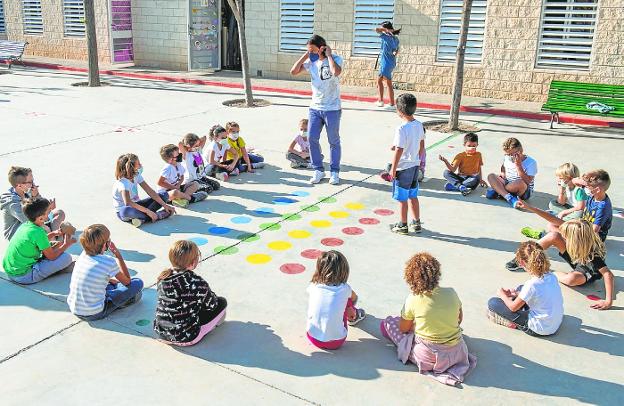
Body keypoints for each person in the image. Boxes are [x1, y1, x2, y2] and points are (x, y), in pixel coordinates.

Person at [381, 253, 476, 387]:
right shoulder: (451, 293)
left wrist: (415, 326)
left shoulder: (413, 299)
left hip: (428, 358)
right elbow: (459, 320)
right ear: (437, 273)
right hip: (458, 353)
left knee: (388, 323)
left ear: (411, 278)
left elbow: (403, 329)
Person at [510, 201, 615, 310]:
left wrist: (608, 302)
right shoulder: (579, 230)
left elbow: (608, 274)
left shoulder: (592, 253)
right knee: (553, 236)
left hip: (586, 270)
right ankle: (524, 259)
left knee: (571, 279)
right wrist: (530, 207)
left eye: (566, 235)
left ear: (577, 239)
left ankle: (548, 272)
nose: (564, 236)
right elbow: (552, 219)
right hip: (576, 256)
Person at [290, 34, 344, 185]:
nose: (311, 54)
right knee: (312, 138)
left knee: (333, 141)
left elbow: (336, 72)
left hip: (332, 108)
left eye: (313, 51)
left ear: (322, 48)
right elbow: (293, 71)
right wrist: (305, 55)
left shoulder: (336, 59)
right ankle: (318, 170)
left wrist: (329, 56)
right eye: (309, 51)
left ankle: (334, 172)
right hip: (315, 108)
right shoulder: (310, 62)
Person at [154, 240, 227, 346]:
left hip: (161, 331)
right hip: (186, 336)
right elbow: (212, 305)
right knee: (221, 302)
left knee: (186, 307)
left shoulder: (163, 277)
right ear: (193, 262)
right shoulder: (196, 282)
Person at [67, 224, 143, 320]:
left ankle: (112, 293)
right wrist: (118, 254)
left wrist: (109, 280)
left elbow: (93, 275)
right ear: (105, 244)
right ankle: (120, 303)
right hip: (95, 312)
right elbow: (127, 282)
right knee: (137, 283)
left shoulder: (83, 255)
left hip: (75, 309)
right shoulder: (108, 261)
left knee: (112, 284)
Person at [488, 241, 564, 336]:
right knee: (521, 288)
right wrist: (516, 294)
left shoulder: (532, 284)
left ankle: (515, 324)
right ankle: (518, 303)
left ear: (522, 263)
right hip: (555, 322)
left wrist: (502, 295)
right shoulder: (552, 276)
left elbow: (513, 308)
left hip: (539, 328)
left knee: (493, 303)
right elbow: (539, 293)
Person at [520, 169, 612, 242]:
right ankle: (551, 233)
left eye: (587, 187)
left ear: (598, 189)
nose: (584, 188)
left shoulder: (602, 207)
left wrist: (571, 231)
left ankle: (543, 235)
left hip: (591, 237)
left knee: (554, 229)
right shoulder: (594, 194)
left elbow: (594, 231)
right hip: (582, 226)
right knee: (553, 224)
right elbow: (575, 181)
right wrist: (587, 181)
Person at [2, 197, 75, 284]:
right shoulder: (39, 232)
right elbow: (52, 257)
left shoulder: (26, 225)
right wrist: (66, 244)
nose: (50, 214)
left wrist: (53, 234)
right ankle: (56, 270)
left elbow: (36, 240)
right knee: (66, 257)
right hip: (23, 276)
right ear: (40, 218)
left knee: (55, 245)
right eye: (48, 212)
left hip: (10, 271)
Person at [306, 250, 366, 350]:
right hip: (336, 342)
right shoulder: (345, 288)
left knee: (335, 301)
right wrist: (350, 306)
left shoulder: (314, 285)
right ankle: (353, 317)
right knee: (347, 301)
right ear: (344, 271)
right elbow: (354, 297)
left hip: (312, 337)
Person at [388, 93, 425, 235]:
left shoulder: (401, 128)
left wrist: (393, 168)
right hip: (415, 166)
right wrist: (418, 160)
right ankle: (416, 223)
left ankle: (403, 225)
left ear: (400, 111)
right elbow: (421, 145)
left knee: (402, 199)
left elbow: (399, 149)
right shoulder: (419, 125)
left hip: (403, 168)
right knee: (413, 196)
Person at [2, 166, 66, 240]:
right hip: (19, 231)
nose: (33, 184)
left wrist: (36, 195)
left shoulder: (27, 190)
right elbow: (30, 221)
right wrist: (47, 210)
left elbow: (41, 208)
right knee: (45, 229)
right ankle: (54, 240)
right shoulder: (12, 203)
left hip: (36, 221)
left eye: (33, 181)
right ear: (19, 185)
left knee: (59, 213)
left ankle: (53, 237)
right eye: (30, 182)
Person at [112, 153, 175, 228]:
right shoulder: (123, 183)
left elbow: (150, 191)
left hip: (138, 205)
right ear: (131, 168)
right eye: (138, 164)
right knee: (126, 210)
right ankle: (157, 215)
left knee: (164, 195)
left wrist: (165, 205)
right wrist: (148, 211)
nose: (141, 165)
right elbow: (128, 203)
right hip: (125, 210)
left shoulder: (136, 175)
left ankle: (142, 219)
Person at [486, 137, 537, 209]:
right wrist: (503, 173)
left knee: (520, 183)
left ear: (521, 150)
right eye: (508, 154)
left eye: (513, 154)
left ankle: (499, 191)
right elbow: (503, 166)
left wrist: (518, 165)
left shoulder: (531, 162)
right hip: (508, 182)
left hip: (523, 190)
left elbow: (527, 181)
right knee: (491, 176)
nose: (510, 156)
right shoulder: (507, 157)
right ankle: (509, 198)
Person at [157, 144, 208, 208]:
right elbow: (160, 182)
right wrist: (173, 187)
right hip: (166, 193)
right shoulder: (168, 168)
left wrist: (178, 184)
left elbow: (182, 177)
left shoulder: (178, 164)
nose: (180, 155)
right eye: (177, 154)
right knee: (175, 192)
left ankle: (182, 199)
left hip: (177, 188)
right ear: (170, 159)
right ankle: (191, 198)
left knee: (195, 184)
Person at [375, 21, 400, 109]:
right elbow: (396, 51)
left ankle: (391, 104)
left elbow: (376, 29)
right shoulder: (395, 39)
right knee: (381, 81)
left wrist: (385, 30)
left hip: (385, 63)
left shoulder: (386, 37)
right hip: (390, 62)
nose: (382, 30)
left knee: (387, 82)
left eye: (384, 28)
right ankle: (381, 101)